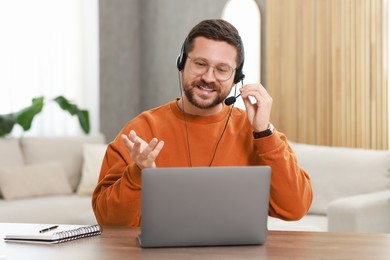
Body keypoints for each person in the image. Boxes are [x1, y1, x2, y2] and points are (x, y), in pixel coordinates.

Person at [92, 19, 313, 226]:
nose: (209, 77)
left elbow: (294, 209)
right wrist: (139, 172)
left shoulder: (257, 133)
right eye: (200, 64)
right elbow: (108, 220)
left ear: (236, 78)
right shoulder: (141, 130)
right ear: (181, 64)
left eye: (222, 69)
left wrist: (264, 134)